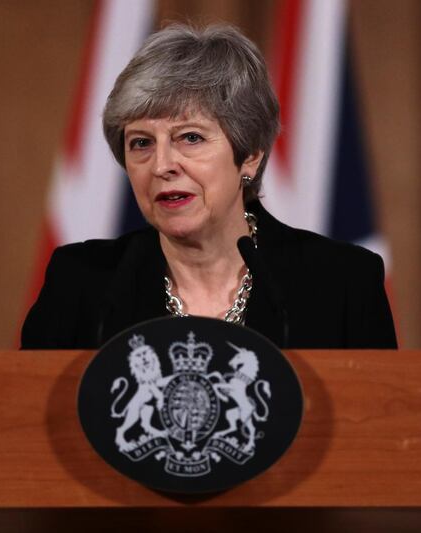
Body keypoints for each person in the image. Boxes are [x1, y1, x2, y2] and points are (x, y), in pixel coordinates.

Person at [21, 23, 396, 350]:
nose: (162, 165)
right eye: (141, 143)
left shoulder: (343, 283)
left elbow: (385, 426)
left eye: (190, 138)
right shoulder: (81, 284)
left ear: (248, 154)